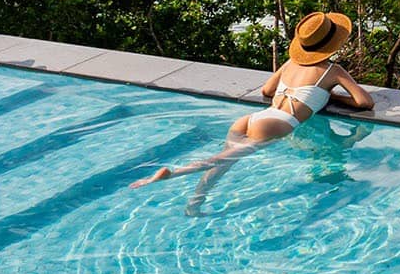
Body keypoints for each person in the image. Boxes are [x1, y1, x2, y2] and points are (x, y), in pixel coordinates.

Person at [131, 11, 375, 207]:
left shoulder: (290, 63)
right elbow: (364, 102)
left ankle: (195, 203)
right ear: (331, 44)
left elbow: (267, 91)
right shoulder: (332, 70)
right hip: (277, 123)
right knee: (221, 159)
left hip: (252, 118)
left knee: (224, 164)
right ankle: (173, 173)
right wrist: (329, 97)